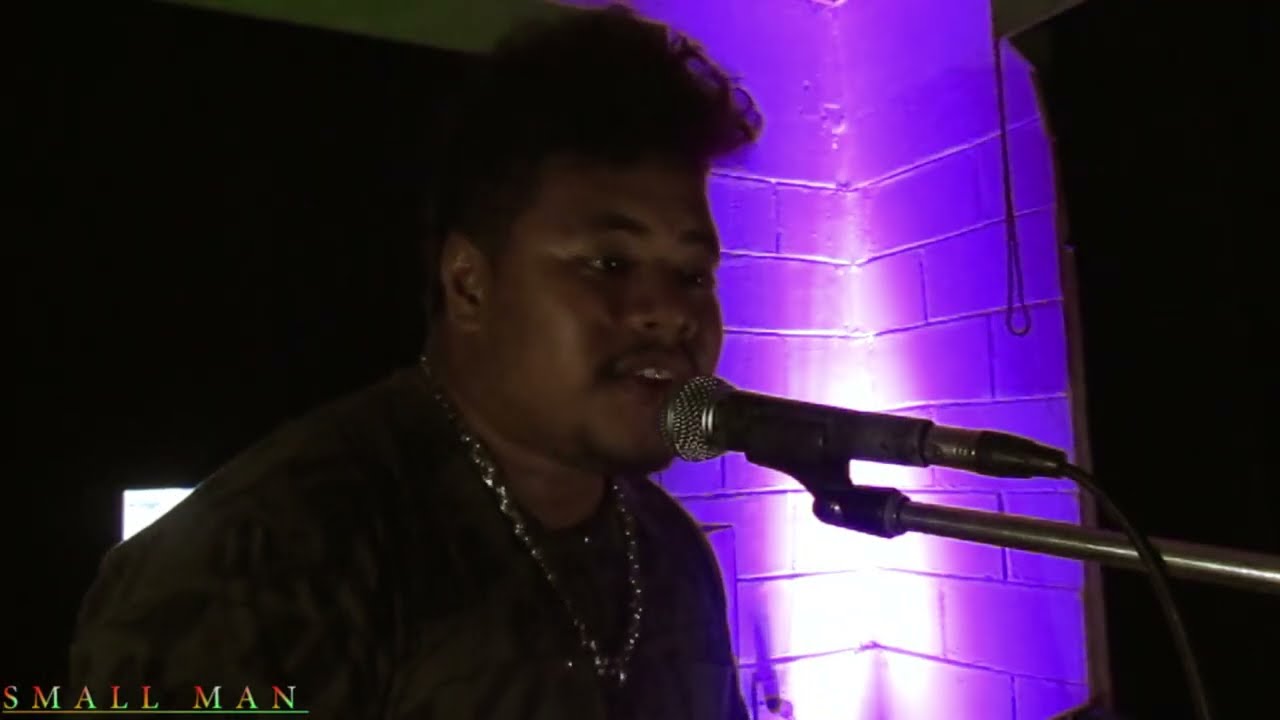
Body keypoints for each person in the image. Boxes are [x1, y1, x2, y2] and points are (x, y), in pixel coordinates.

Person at [69, 5, 762, 718]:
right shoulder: (262, 560)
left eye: (692, 274)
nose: (669, 313)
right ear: (468, 285)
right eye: (609, 262)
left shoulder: (672, 555)